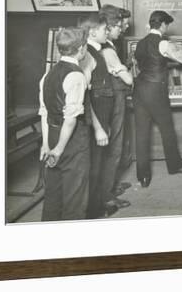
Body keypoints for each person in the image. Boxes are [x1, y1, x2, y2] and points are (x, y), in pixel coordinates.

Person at [133, 10, 182, 187]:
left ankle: (143, 177)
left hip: (139, 89)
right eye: (167, 25)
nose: (167, 28)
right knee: (167, 130)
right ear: (163, 25)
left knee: (142, 133)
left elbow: (147, 63)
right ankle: (175, 166)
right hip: (156, 90)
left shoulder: (139, 44)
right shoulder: (163, 43)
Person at [37, 27, 91, 221]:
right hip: (71, 142)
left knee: (53, 194)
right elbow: (70, 119)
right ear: (82, 49)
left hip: (51, 133)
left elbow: (44, 112)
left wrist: (46, 144)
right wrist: (59, 149)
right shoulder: (76, 76)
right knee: (75, 198)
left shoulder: (48, 75)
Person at [79, 14, 117, 219]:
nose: (108, 32)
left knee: (99, 160)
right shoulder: (88, 54)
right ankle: (93, 211)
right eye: (105, 29)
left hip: (102, 110)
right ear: (93, 32)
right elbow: (84, 94)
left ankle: (98, 203)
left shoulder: (96, 50)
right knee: (94, 163)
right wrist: (98, 126)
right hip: (96, 113)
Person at [98, 5, 134, 210]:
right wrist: (128, 71)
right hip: (116, 99)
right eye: (119, 26)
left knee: (114, 144)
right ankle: (107, 195)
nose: (122, 29)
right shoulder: (108, 49)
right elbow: (127, 80)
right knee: (115, 146)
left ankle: (109, 185)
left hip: (113, 98)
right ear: (109, 27)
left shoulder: (108, 45)